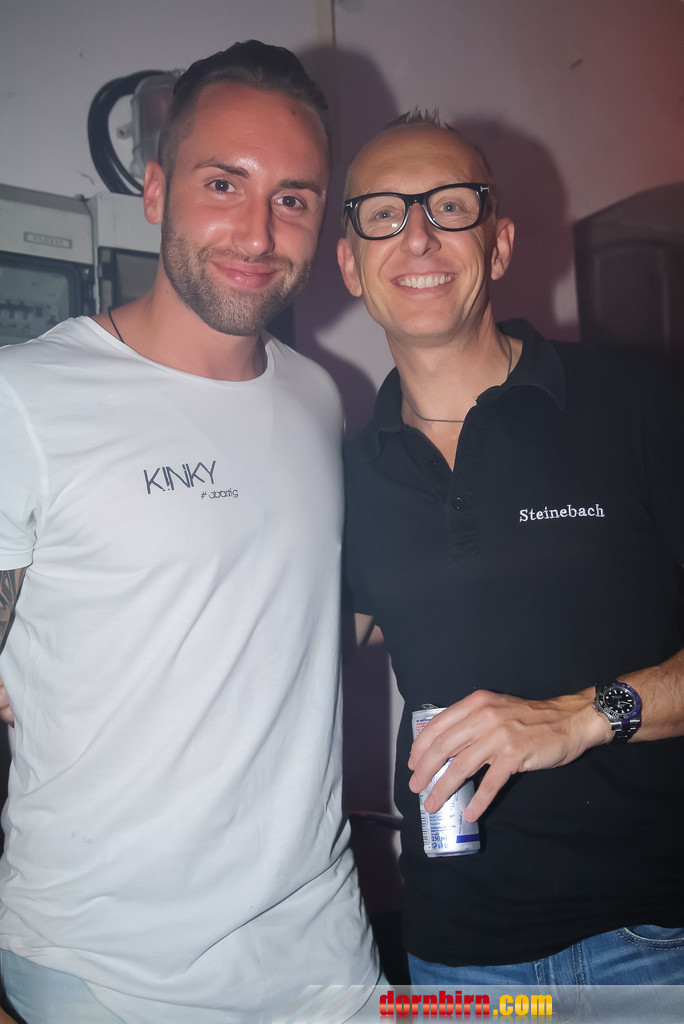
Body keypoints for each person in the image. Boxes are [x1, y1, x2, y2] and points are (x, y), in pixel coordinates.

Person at [0, 40, 378, 1024]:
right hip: (107, 977)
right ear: (156, 190)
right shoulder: (25, 398)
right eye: (224, 183)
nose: (258, 231)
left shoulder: (320, 397)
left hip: (325, 956)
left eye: (293, 197)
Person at [337, 111, 684, 1002]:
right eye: (384, 213)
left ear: (498, 246)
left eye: (450, 206)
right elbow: (267, 652)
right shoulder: (346, 477)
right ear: (350, 265)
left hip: (657, 938)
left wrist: (579, 717)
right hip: (460, 959)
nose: (418, 234)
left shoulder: (640, 402)